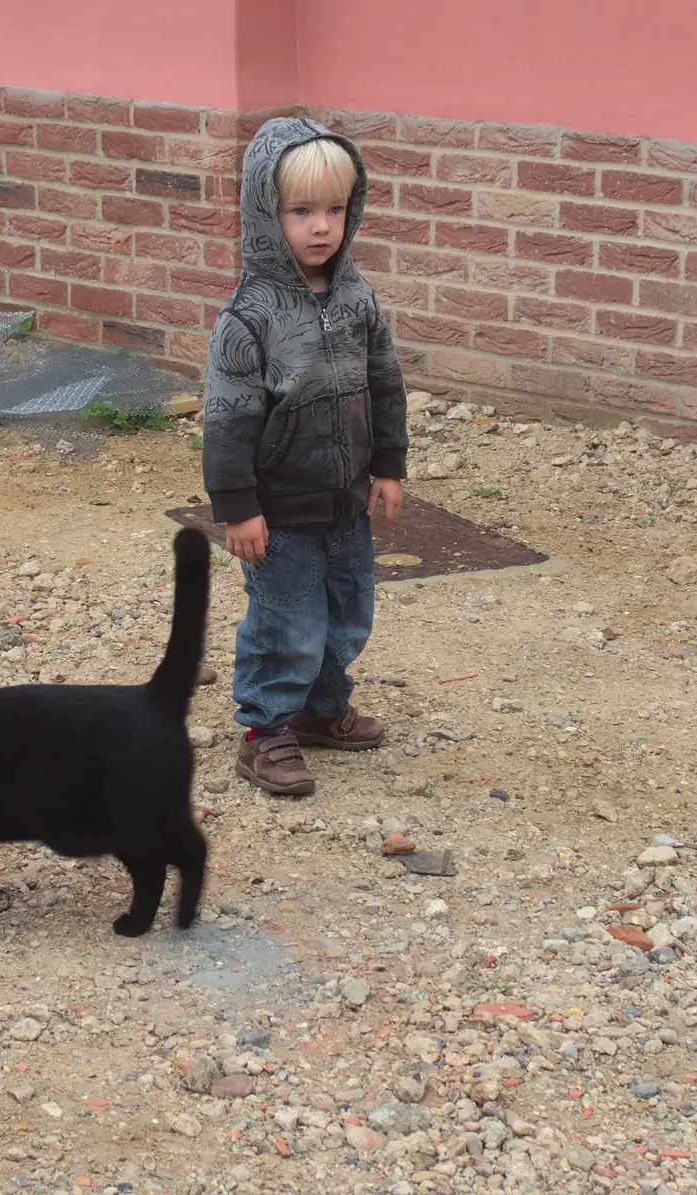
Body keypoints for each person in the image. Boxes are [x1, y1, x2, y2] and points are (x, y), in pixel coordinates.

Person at [201, 117, 409, 797]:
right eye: (300, 211)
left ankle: (323, 709)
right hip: (279, 509)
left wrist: (389, 465)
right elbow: (228, 419)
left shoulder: (356, 299)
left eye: (335, 209)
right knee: (286, 619)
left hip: (346, 498)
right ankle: (265, 731)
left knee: (347, 611)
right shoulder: (247, 317)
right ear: (266, 214)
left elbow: (384, 383)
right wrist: (237, 507)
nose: (321, 226)